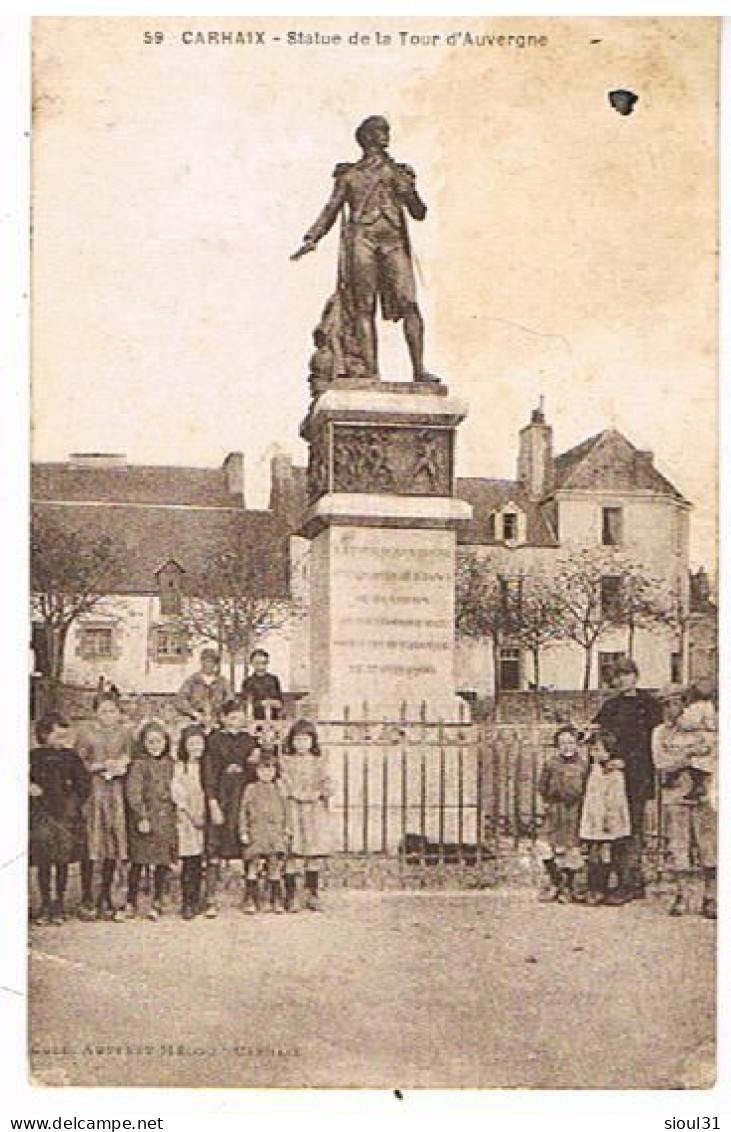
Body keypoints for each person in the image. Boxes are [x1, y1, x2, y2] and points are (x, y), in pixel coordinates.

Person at [292, 116, 439, 384]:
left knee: (409, 303)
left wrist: (410, 193)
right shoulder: (350, 176)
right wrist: (312, 237)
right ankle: (371, 372)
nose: (386, 136)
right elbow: (331, 209)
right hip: (363, 239)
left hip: (392, 239)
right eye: (380, 131)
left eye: (386, 131)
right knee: (364, 307)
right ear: (367, 137)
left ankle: (419, 369)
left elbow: (419, 213)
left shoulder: (399, 172)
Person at [593, 658, 662, 903]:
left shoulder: (650, 706)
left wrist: (627, 762)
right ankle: (626, 880)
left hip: (638, 776)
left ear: (636, 676)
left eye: (626, 674)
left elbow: (652, 746)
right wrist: (603, 756)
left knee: (632, 828)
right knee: (615, 826)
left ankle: (630, 884)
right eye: (617, 676)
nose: (622, 680)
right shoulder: (610, 706)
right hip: (612, 776)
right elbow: (598, 736)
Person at [652, 685, 717, 919]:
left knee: (708, 845)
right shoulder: (660, 733)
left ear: (684, 704)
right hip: (675, 796)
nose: (671, 709)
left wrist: (683, 760)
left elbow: (713, 757)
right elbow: (661, 763)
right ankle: (681, 895)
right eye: (666, 705)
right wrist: (688, 758)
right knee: (678, 846)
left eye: (676, 703)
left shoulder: (701, 729)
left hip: (702, 796)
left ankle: (711, 897)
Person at [75, 692, 133, 921]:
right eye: (103, 711)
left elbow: (130, 756)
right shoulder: (87, 734)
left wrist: (122, 764)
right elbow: (78, 763)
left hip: (116, 791)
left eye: (112, 711)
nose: (108, 716)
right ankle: (88, 895)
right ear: (96, 712)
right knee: (93, 841)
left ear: (119, 713)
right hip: (95, 791)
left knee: (112, 842)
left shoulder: (125, 733)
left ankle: (106, 896)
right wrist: (100, 765)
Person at [30, 713, 91, 925]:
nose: (61, 741)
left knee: (62, 859)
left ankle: (59, 903)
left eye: (64, 737)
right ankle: (45, 903)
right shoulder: (34, 757)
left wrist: (73, 803)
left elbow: (84, 784)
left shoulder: (71, 757)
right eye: (57, 736)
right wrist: (29, 787)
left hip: (65, 815)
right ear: (45, 734)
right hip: (41, 813)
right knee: (43, 860)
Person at [200, 699, 258, 917]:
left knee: (247, 846)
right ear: (223, 718)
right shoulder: (214, 740)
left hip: (243, 798)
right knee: (214, 846)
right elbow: (208, 773)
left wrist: (253, 761)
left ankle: (250, 896)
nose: (237, 721)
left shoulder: (249, 740)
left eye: (241, 716)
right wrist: (213, 802)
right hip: (222, 797)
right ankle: (210, 899)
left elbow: (258, 771)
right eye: (232, 716)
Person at [124, 721, 178, 920]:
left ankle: (157, 901)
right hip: (146, 817)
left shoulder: (171, 763)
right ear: (144, 743)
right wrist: (141, 816)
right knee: (139, 861)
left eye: (159, 741)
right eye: (151, 742)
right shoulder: (139, 764)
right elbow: (133, 792)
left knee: (162, 862)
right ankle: (131, 901)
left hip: (166, 818)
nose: (155, 746)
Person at [279, 720, 333, 912]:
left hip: (314, 812)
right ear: (291, 741)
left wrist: (322, 792)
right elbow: (285, 785)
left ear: (313, 741)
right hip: (294, 808)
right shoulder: (286, 761)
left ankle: (312, 893)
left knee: (313, 854)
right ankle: (291, 895)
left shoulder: (319, 761)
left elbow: (326, 783)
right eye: (298, 740)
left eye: (306, 740)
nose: (301, 744)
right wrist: (301, 794)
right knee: (292, 853)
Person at [535, 726, 588, 903]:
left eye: (571, 742)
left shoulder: (583, 765)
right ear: (557, 745)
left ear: (577, 744)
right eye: (563, 743)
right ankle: (557, 881)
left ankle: (568, 888)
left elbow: (587, 789)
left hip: (574, 811)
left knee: (571, 849)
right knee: (544, 846)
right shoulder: (550, 763)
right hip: (555, 810)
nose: (567, 747)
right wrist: (546, 803)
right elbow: (542, 787)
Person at [578, 730, 631, 905]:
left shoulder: (614, 774)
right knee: (594, 854)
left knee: (607, 853)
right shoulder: (593, 770)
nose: (595, 753)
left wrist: (610, 819)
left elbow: (616, 800)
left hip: (608, 820)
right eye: (593, 749)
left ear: (609, 752)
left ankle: (608, 887)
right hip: (593, 818)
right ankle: (594, 888)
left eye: (599, 749)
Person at [239, 748, 290, 914]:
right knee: (253, 866)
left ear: (275, 771)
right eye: (262, 769)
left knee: (274, 866)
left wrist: (287, 829)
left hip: (274, 833)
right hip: (256, 832)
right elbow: (243, 811)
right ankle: (251, 899)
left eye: (270, 769)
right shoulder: (250, 789)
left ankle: (274, 899)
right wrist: (243, 831)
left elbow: (286, 811)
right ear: (256, 771)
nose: (266, 773)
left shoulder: (279, 789)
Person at [171, 724, 208, 920]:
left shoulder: (207, 766)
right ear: (184, 746)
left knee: (202, 860)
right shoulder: (180, 767)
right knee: (189, 860)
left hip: (204, 815)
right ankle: (187, 901)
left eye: (199, 744)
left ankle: (199, 898)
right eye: (191, 744)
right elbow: (177, 793)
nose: (196, 748)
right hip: (187, 817)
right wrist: (190, 813)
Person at [661, 680, 717, 806]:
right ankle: (685, 781)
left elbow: (690, 723)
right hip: (699, 738)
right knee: (686, 757)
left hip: (701, 738)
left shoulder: (699, 707)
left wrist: (681, 721)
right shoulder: (703, 707)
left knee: (694, 761)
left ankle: (695, 786)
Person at [174, 649, 231, 732]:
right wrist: (194, 713)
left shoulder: (222, 681)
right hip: (195, 720)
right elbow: (180, 699)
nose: (209, 664)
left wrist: (221, 712)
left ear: (216, 664)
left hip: (217, 721)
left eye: (212, 662)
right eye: (206, 661)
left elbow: (230, 699)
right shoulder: (192, 680)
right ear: (201, 662)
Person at [240, 649, 284, 722]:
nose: (261, 667)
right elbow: (245, 704)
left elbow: (280, 702)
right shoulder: (248, 682)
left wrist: (276, 703)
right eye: (257, 663)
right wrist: (261, 703)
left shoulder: (274, 679)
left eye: (264, 663)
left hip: (273, 720)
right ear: (251, 663)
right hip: (254, 720)